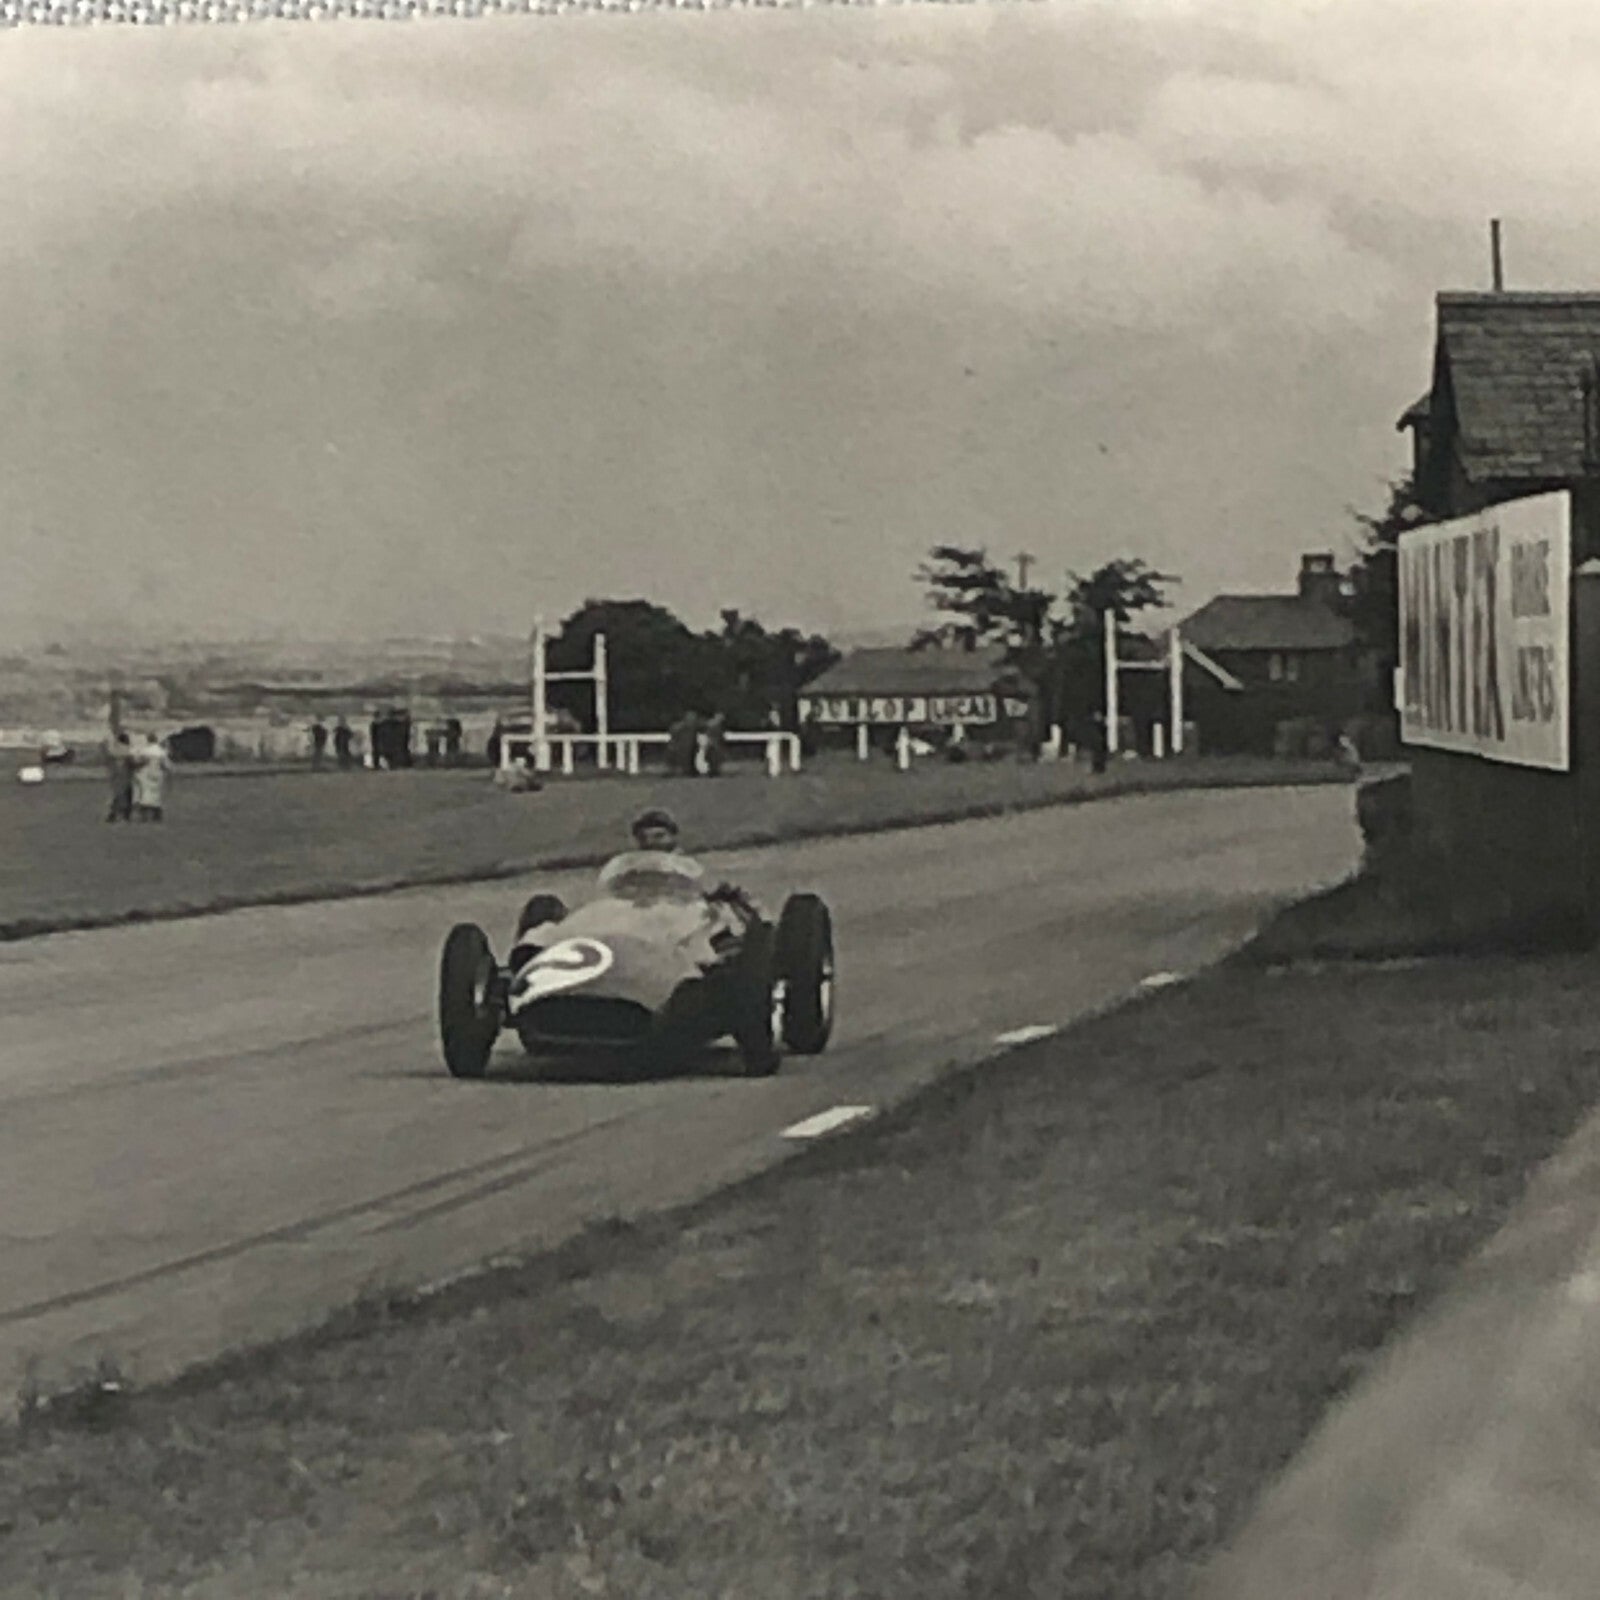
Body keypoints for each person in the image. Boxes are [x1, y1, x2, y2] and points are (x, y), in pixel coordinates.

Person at [131, 733, 169, 822]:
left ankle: (144, 816)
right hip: (157, 774)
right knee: (156, 795)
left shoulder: (145, 751)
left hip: (146, 774)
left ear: (148, 740)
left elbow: (140, 762)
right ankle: (157, 815)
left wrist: (135, 766)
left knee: (145, 794)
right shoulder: (161, 751)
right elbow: (165, 764)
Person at [104, 730, 135, 823]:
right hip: (126, 777)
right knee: (127, 796)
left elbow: (108, 760)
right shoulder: (127, 751)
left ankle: (112, 815)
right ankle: (125, 816)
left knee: (116, 796)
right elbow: (132, 763)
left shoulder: (115, 751)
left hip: (115, 776)